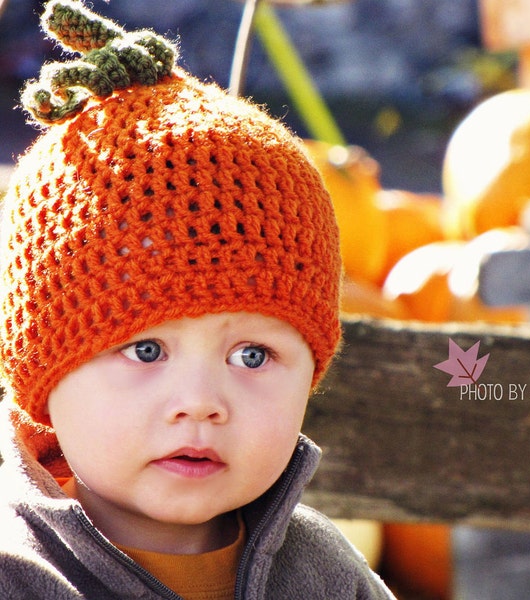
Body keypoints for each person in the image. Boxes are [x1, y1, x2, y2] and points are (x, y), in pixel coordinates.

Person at [0, 1, 396, 599]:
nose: (200, 403)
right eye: (146, 348)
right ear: (40, 370)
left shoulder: (326, 575)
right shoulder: (19, 578)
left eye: (253, 356)